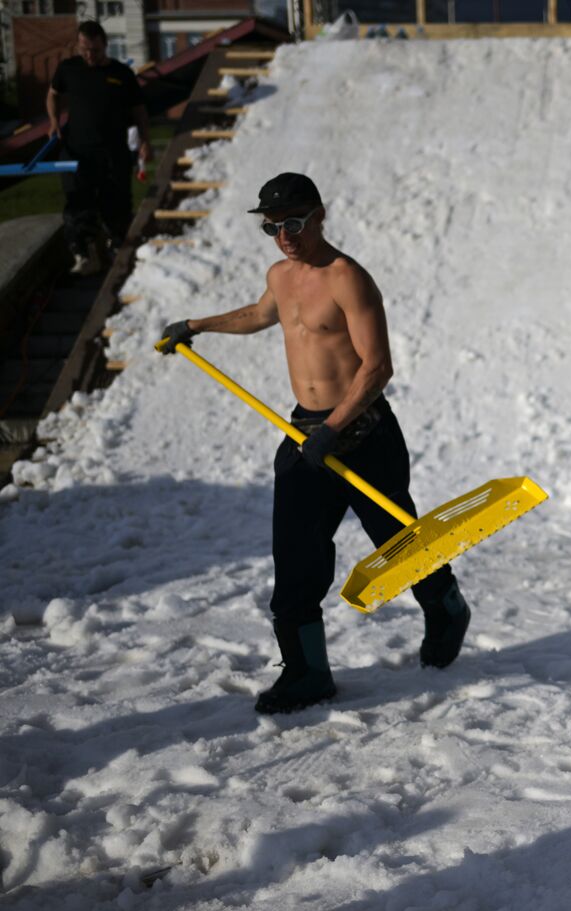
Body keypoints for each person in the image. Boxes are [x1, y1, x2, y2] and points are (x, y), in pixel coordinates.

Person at [158, 173, 471, 715]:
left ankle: (445, 607)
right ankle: (307, 673)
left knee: (400, 543)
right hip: (306, 433)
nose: (285, 236)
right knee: (296, 554)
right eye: (273, 227)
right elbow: (259, 315)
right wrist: (195, 324)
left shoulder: (347, 277)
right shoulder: (280, 275)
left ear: (319, 215)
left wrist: (334, 430)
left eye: (295, 223)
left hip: (364, 432)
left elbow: (378, 367)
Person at [46, 21, 150, 276]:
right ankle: (83, 255)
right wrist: (53, 121)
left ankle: (118, 255)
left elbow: (139, 110)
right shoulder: (68, 69)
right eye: (84, 50)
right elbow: (52, 94)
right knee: (78, 205)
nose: (89, 56)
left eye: (95, 50)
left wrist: (145, 140)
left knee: (116, 206)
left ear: (105, 45)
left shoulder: (122, 74)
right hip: (77, 152)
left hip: (113, 152)